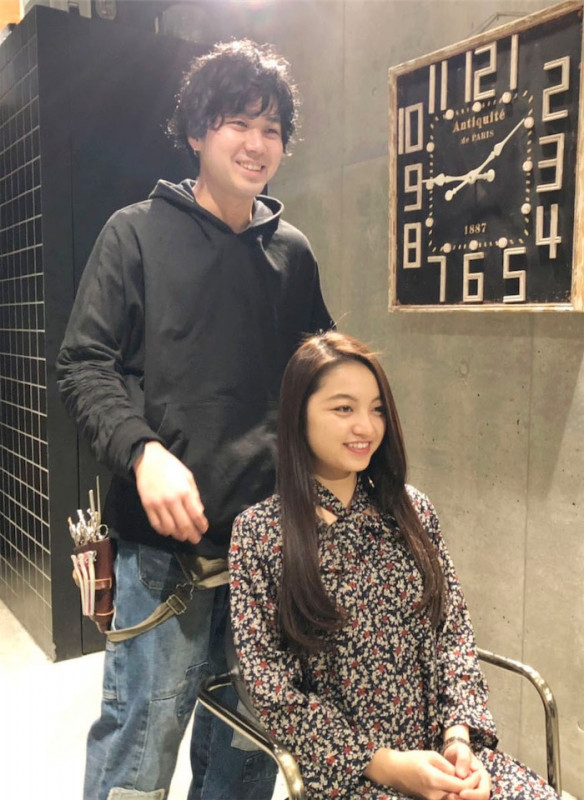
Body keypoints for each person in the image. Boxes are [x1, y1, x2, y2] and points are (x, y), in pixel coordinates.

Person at [56, 40, 333, 800]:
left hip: (269, 554)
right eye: (237, 122)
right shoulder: (135, 232)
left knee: (248, 755)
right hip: (162, 559)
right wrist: (143, 453)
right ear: (196, 131)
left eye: (271, 128)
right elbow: (83, 365)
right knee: (138, 755)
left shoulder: (293, 255)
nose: (256, 143)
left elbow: (317, 381)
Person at [229, 331, 560, 800]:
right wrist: (388, 766)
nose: (366, 426)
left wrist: (460, 741)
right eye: (344, 409)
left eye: (377, 409)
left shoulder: (412, 511)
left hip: (445, 756)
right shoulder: (260, 534)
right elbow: (272, 691)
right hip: (352, 774)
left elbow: (453, 634)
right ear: (298, 414)